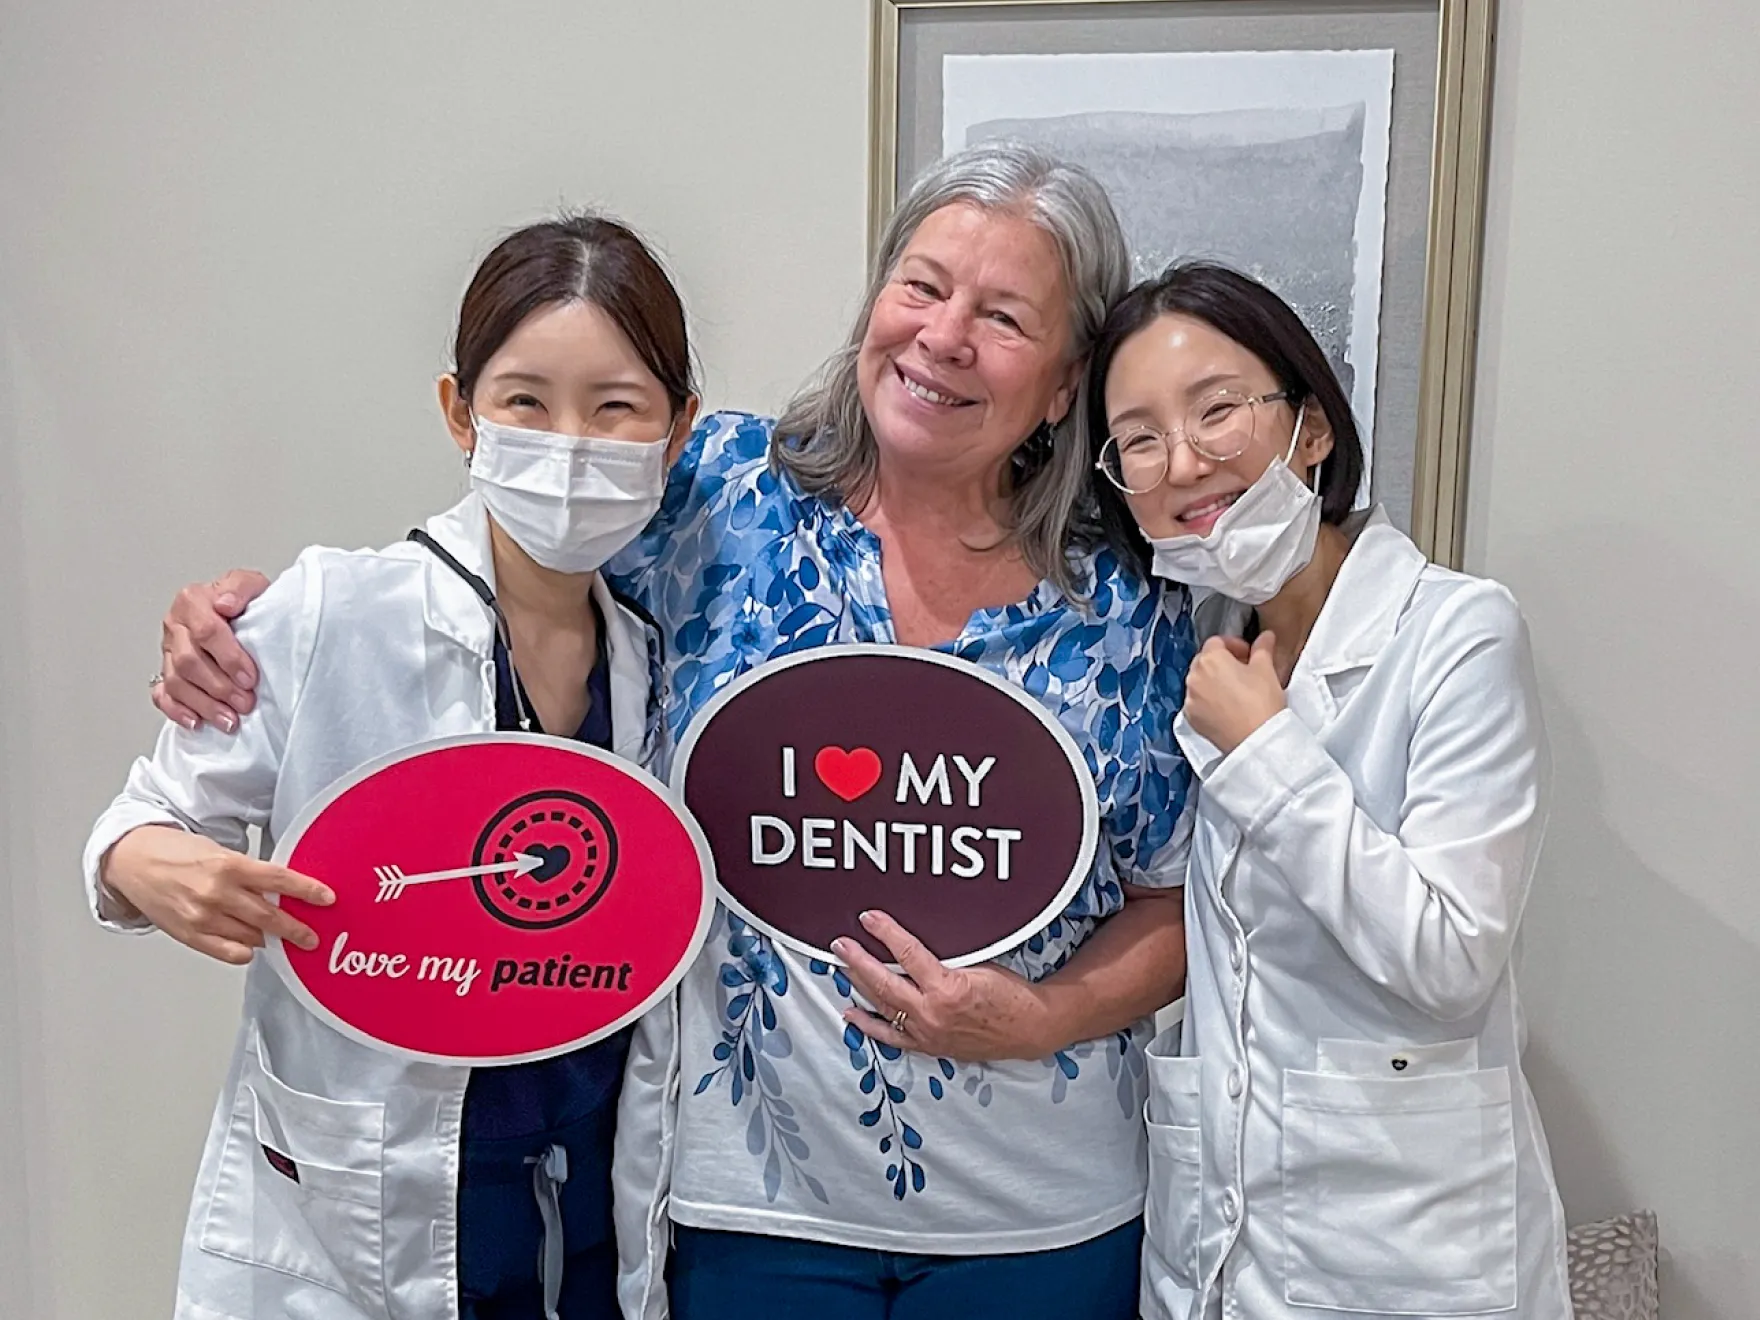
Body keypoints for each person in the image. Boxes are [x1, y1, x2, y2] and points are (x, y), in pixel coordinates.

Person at [151, 143, 1198, 1320]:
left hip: (1041, 1215)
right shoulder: (718, 495)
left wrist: (1043, 1018)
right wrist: (253, 616)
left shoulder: (1127, 605)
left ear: (1065, 383)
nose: (942, 336)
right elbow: (506, 554)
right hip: (750, 1208)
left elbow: (1172, 898)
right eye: (920, 284)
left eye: (1003, 316)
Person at [85, 213, 700, 1320]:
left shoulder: (652, 656)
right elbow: (146, 820)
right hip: (356, 1204)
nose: (568, 442)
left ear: (676, 427)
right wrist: (155, 866)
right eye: (524, 401)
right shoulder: (329, 611)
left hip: (587, 1190)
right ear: (457, 414)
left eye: (615, 409)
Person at [1084, 261, 1571, 1318]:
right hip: (1213, 1240)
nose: (1183, 461)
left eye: (1216, 411)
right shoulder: (1200, 648)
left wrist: (1265, 753)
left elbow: (1447, 958)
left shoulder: (1454, 633)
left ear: (1309, 429)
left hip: (1409, 1249)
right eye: (1137, 438)